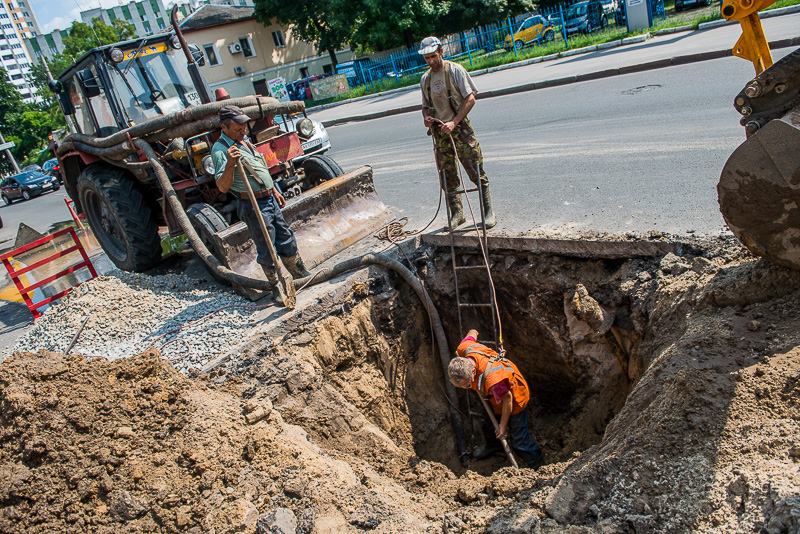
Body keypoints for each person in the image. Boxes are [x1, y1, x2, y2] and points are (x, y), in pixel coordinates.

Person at [212, 105, 311, 288]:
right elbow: (222, 186)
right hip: (252, 203)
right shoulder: (220, 151)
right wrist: (230, 164)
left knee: (285, 236)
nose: (242, 132)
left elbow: (259, 169)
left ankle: (299, 274)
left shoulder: (245, 141)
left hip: (268, 198)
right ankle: (278, 286)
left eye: (244, 128)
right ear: (224, 128)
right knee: (267, 246)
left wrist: (273, 190)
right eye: (237, 129)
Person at [419, 36, 496, 229]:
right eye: (427, 58)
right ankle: (457, 214)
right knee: (447, 175)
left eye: (433, 56)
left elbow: (470, 99)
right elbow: (425, 106)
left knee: (474, 168)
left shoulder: (454, 70)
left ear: (441, 52)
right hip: (440, 134)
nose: (430, 61)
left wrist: (454, 122)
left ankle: (488, 212)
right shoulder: (425, 79)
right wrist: (427, 119)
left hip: (460, 129)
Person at [448, 328, 544, 468]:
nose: (466, 388)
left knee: (519, 440)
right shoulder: (464, 348)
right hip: (493, 396)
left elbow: (508, 399)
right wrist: (474, 331)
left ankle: (537, 463)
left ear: (473, 372)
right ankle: (494, 447)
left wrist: (502, 426)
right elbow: (473, 332)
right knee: (487, 423)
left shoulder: (493, 379)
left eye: (467, 385)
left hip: (514, 397)